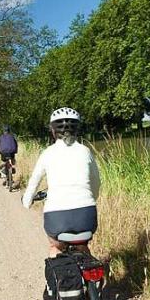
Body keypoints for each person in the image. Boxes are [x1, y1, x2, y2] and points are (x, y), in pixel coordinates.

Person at [22, 107, 101, 257]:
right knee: (82, 247)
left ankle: (59, 279)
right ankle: (91, 276)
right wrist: (92, 198)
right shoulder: (85, 151)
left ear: (52, 130)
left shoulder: (47, 153)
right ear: (77, 129)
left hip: (56, 216)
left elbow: (34, 182)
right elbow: (96, 182)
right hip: (86, 214)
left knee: (55, 247)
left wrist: (27, 201)